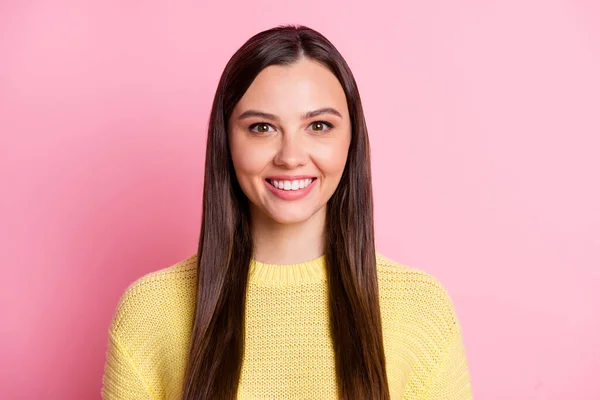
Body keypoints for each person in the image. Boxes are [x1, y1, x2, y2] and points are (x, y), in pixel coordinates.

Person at [101, 25, 472, 400]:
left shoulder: (421, 312)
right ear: (226, 140)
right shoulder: (150, 312)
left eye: (319, 126)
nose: (290, 157)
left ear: (352, 139)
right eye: (262, 128)